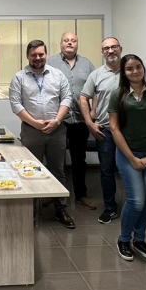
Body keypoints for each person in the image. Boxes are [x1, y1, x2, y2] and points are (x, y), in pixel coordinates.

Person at [9, 40, 76, 229]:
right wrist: (35, 123)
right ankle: (29, 210)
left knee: (58, 170)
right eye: (34, 55)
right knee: (29, 171)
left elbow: (67, 98)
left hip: (57, 130)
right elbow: (15, 104)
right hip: (31, 131)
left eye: (41, 54)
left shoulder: (58, 75)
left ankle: (60, 209)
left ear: (46, 54)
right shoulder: (19, 77)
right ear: (27, 56)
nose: (37, 58)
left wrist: (56, 121)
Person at [109, 54, 146, 262]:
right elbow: (114, 128)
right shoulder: (118, 95)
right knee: (136, 200)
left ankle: (139, 239)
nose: (135, 71)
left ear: (143, 68)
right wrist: (132, 158)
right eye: (129, 68)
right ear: (124, 73)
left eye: (138, 67)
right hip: (127, 154)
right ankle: (124, 239)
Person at [49, 32, 97, 210]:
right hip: (58, 119)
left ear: (77, 44)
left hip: (80, 119)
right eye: (66, 40)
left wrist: (93, 110)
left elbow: (96, 89)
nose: (69, 43)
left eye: (73, 40)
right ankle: (54, 195)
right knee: (56, 160)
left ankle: (81, 195)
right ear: (61, 43)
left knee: (79, 159)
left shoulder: (87, 64)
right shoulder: (50, 63)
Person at [80, 37, 123, 223]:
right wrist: (89, 122)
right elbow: (83, 98)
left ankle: (134, 207)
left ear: (120, 48)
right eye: (106, 48)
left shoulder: (131, 70)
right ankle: (110, 208)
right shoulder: (96, 75)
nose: (110, 51)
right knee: (106, 170)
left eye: (114, 47)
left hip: (128, 131)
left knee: (130, 169)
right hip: (105, 131)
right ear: (102, 52)